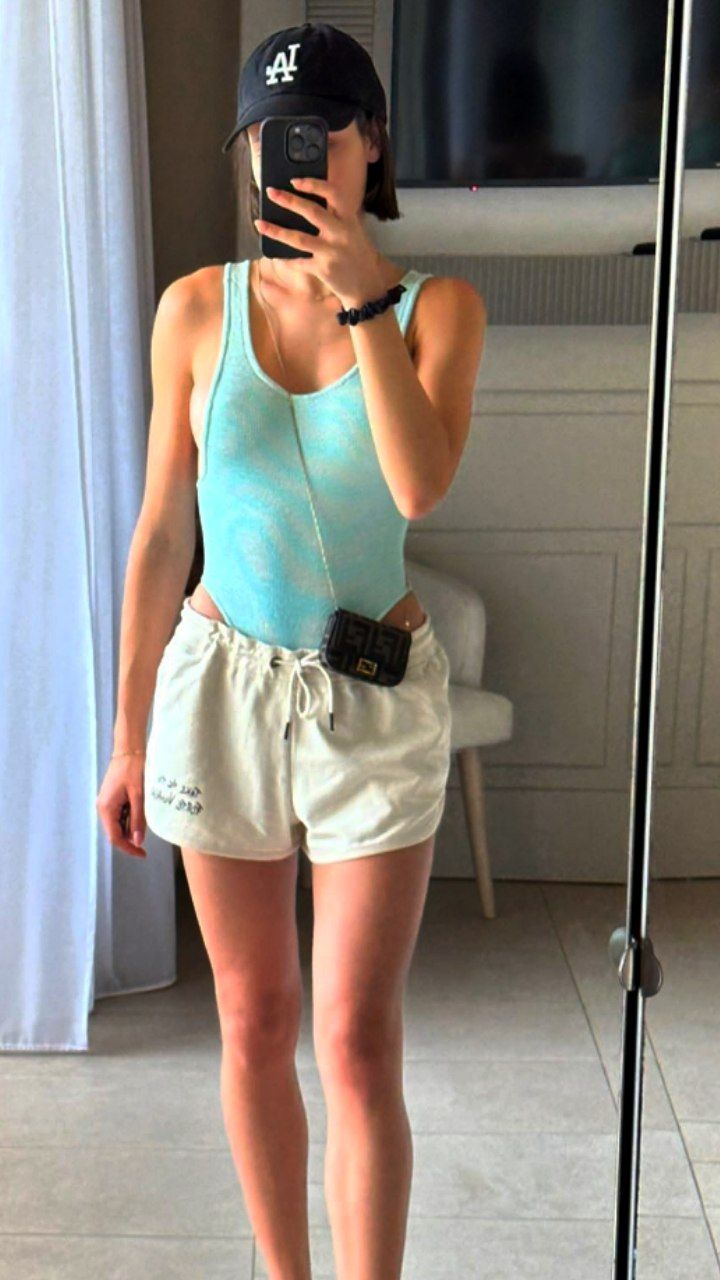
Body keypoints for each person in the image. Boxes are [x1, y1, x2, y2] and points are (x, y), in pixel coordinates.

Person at [97, 21, 486, 1280]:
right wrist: (127, 735)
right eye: (269, 134)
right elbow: (164, 532)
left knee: (357, 1038)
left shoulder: (437, 310)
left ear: (372, 145)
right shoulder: (193, 309)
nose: (291, 153)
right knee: (255, 1019)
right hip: (220, 686)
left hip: (374, 699)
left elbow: (419, 486)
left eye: (319, 130)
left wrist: (360, 294)